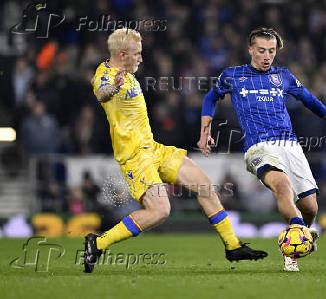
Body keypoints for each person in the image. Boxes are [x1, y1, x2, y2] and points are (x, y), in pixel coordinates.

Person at [84, 28, 267, 273]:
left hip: (153, 148)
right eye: (137, 54)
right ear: (122, 53)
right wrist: (113, 89)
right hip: (135, 157)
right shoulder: (105, 74)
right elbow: (100, 92)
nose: (141, 58)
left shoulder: (129, 75)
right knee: (160, 211)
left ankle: (233, 247)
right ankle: (97, 243)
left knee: (204, 185)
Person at [198, 27, 326, 272]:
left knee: (310, 206)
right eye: (262, 50)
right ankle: (293, 246)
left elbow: (308, 99)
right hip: (259, 146)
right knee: (282, 187)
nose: (267, 56)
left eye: (272, 51)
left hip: (290, 145)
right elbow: (211, 98)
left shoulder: (283, 76)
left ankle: (303, 232)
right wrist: (205, 132)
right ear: (251, 49)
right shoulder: (233, 75)